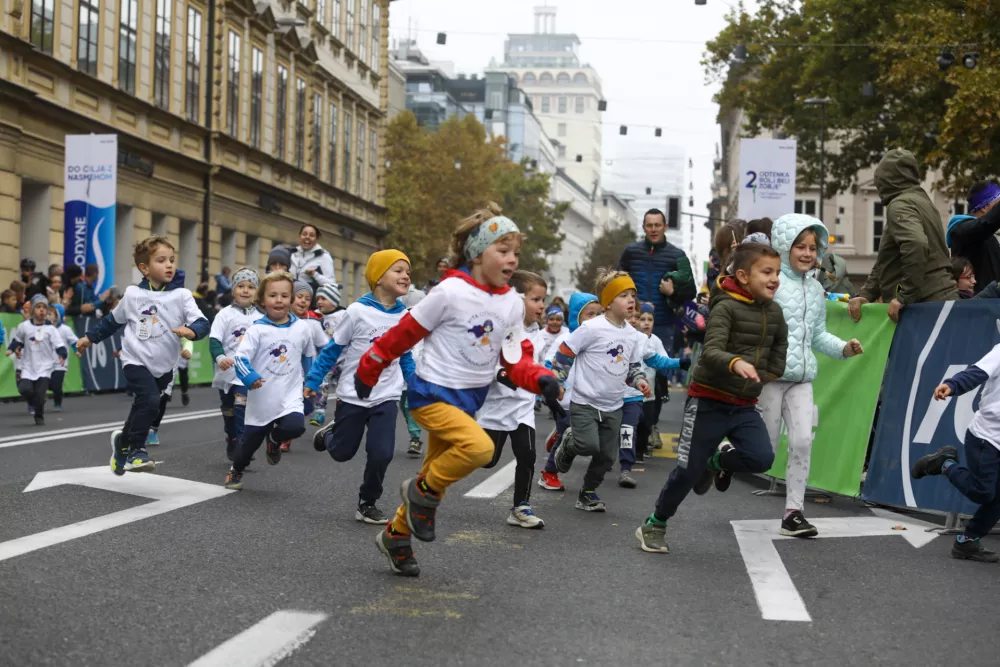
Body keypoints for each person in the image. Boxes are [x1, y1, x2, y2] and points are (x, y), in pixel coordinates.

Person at [352, 203, 562, 577]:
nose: (512, 259)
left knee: (436, 476)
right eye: (503, 250)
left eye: (516, 252)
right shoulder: (449, 292)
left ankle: (396, 537)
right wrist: (369, 369)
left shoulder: (511, 305)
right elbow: (402, 335)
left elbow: (516, 359)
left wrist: (539, 378)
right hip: (430, 394)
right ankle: (419, 492)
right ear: (478, 253)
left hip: (468, 403)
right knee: (478, 450)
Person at [635, 243, 787, 554]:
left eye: (777, 273)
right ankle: (655, 523)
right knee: (687, 472)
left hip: (744, 404)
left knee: (762, 458)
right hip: (708, 400)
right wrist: (736, 363)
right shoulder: (725, 307)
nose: (774, 279)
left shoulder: (774, 312)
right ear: (743, 276)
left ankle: (716, 461)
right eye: (767, 272)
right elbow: (713, 350)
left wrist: (767, 374)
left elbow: (779, 352)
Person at [762, 214, 865, 537]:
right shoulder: (772, 285)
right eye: (799, 247)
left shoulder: (817, 288)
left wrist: (844, 348)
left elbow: (818, 335)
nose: (807, 254)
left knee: (803, 442)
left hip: (802, 380)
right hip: (770, 379)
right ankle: (722, 460)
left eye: (812, 247)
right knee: (762, 451)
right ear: (783, 247)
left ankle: (794, 512)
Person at [76, 237, 210, 475]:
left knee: (146, 406)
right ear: (144, 268)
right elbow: (111, 322)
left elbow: (202, 322)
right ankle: (136, 451)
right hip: (135, 359)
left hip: (164, 365)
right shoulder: (132, 295)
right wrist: (89, 338)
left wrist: (192, 330)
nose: (169, 265)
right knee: (148, 401)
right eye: (161, 260)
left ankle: (122, 443)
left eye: (171, 260)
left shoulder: (181, 295)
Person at [305, 249, 416, 525]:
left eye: (408, 272)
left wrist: (416, 387)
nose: (406, 276)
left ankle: (367, 502)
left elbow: (407, 358)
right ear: (378, 277)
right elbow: (332, 350)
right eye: (398, 270)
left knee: (382, 453)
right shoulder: (356, 312)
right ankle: (330, 435)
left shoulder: (406, 317)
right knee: (342, 453)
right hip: (353, 395)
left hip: (386, 397)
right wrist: (312, 380)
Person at [549, 270, 652, 511]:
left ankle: (587, 493)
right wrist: (559, 380)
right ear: (608, 302)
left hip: (614, 405)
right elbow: (565, 352)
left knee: (607, 457)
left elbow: (632, 367)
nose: (631, 300)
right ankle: (570, 442)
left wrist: (639, 381)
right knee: (588, 446)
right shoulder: (592, 328)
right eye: (623, 295)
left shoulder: (632, 335)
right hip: (585, 400)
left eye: (633, 295)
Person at [225, 271, 330, 489]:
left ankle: (274, 440)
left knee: (296, 426)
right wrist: (249, 376)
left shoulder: (301, 328)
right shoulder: (257, 329)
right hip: (262, 397)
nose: (279, 300)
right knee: (247, 446)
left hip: (289, 394)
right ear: (262, 299)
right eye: (273, 295)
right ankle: (237, 469)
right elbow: (241, 358)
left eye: (284, 295)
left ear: (291, 299)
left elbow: (308, 356)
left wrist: (311, 382)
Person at [911, 345, 1000, 563]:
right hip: (986, 438)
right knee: (983, 492)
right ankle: (945, 464)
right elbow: (976, 373)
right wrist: (952, 385)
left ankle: (966, 541)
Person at [477, 270, 551, 529]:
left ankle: (521, 507)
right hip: (497, 407)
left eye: (543, 300)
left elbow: (540, 365)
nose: (541, 305)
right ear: (517, 300)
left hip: (522, 407)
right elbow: (486, 358)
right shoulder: (502, 328)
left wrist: (549, 383)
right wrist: (501, 374)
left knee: (527, 455)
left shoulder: (538, 334)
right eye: (535, 299)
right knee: (488, 460)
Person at [849, 149, 958, 323]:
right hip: (939, 298)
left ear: (885, 180)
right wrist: (867, 294)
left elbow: (916, 244)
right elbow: (889, 259)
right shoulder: (922, 202)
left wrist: (903, 296)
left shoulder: (900, 205)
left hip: (924, 305)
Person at [538, 292, 604, 492]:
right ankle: (549, 473)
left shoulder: (599, 338)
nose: (594, 319)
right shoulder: (566, 338)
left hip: (588, 397)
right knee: (568, 432)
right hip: (565, 397)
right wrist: (554, 382)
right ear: (576, 316)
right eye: (589, 314)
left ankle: (558, 434)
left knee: (579, 436)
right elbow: (550, 361)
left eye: (598, 314)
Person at [616, 303, 684, 488]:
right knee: (622, 430)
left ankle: (627, 465)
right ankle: (618, 455)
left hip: (643, 393)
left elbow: (657, 359)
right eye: (638, 318)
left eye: (640, 318)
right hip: (617, 394)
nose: (638, 321)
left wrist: (679, 363)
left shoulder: (647, 340)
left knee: (641, 425)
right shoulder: (613, 335)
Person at [209, 268, 259, 460]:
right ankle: (231, 437)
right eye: (241, 286)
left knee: (242, 407)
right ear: (233, 290)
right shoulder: (224, 315)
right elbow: (214, 340)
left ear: (256, 292)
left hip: (246, 373)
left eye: (251, 287)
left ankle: (242, 444)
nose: (246, 290)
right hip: (226, 372)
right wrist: (220, 358)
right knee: (228, 410)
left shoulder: (260, 318)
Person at [8, 295, 67, 425]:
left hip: (45, 367)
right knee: (24, 389)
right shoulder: (24, 326)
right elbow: (18, 340)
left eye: (44, 308)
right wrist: (12, 349)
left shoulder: (51, 329)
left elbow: (60, 345)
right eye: (38, 307)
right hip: (28, 366)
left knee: (40, 394)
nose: (41, 310)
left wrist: (62, 355)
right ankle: (35, 402)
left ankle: (39, 416)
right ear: (32, 310)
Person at [946, 180, 1000, 293]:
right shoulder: (961, 231)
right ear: (985, 207)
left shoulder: (988, 237)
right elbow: (985, 225)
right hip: (976, 305)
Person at [308, 283, 345, 427]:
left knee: (343, 388)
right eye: (318, 299)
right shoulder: (316, 316)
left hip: (343, 360)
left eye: (324, 298)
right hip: (325, 360)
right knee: (322, 384)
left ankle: (341, 413)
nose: (320, 302)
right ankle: (319, 412)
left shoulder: (343, 315)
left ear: (334, 301)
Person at [146, 341, 193, 446]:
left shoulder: (179, 324)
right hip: (151, 355)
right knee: (147, 394)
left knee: (164, 395)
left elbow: (188, 336)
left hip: (172, 356)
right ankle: (136, 429)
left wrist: (188, 348)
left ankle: (153, 430)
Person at [399, 285, 426, 457]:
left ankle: (415, 438)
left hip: (418, 375)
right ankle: (414, 432)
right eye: (408, 312)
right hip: (399, 377)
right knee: (403, 405)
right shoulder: (400, 328)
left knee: (410, 405)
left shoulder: (428, 329)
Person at [48, 304, 78, 412]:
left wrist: (77, 350)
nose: (48, 316)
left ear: (58, 316)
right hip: (45, 363)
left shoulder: (65, 329)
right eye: (47, 314)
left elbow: (74, 342)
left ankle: (57, 403)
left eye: (51, 314)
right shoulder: (45, 329)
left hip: (60, 364)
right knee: (42, 385)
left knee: (56, 385)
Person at [290, 224, 337, 292]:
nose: (307, 237)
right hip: (293, 300)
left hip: (312, 300)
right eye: (304, 234)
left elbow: (332, 286)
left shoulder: (323, 256)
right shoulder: (292, 254)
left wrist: (315, 274)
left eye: (311, 235)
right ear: (299, 236)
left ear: (316, 239)